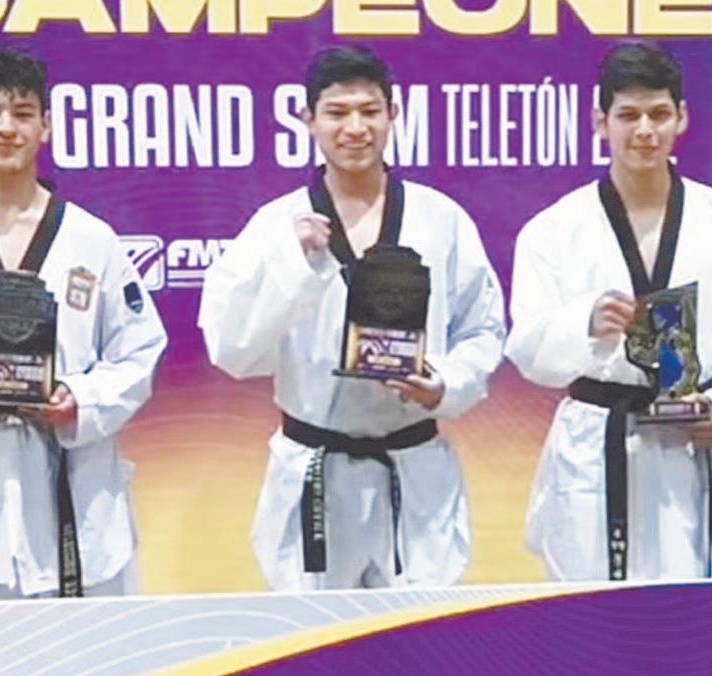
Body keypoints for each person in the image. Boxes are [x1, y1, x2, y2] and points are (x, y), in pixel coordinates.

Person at [199, 46, 504, 590]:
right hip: (314, 465)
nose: (355, 128)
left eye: (369, 111)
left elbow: (482, 330)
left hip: (412, 464)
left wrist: (444, 383)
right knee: (315, 633)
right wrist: (291, 263)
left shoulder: (441, 219)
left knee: (419, 632)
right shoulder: (275, 226)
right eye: (337, 113)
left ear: (394, 114)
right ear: (308, 119)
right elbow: (231, 349)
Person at [0, 47, 167, 599]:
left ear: (45, 126)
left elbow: (139, 352)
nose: (5, 127)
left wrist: (80, 401)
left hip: (74, 483)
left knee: (94, 646)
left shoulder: (92, 239)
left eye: (22, 113)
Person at [505, 43, 712, 581]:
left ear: (682, 118)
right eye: (628, 115)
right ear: (600, 122)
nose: (645, 131)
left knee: (694, 612)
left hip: (690, 437)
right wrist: (583, 324)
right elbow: (527, 348)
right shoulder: (552, 230)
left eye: (659, 114)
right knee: (590, 611)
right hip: (596, 442)